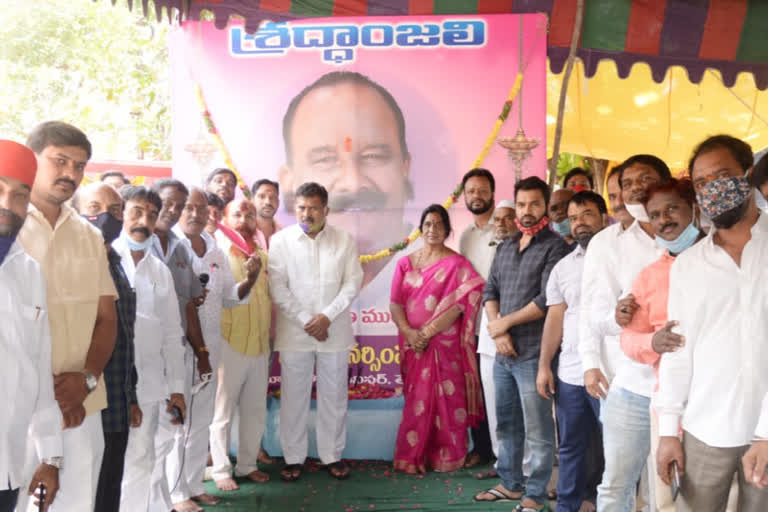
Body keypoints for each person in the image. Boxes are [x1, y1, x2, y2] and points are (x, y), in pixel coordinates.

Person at [656, 135, 768, 511]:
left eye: (722, 175)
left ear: (748, 175)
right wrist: (669, 431)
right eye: (702, 183)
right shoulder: (689, 265)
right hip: (706, 431)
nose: (711, 189)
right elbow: (677, 351)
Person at [18, 121, 118, 512]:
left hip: (82, 404)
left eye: (79, 166)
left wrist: (87, 379)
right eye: (60, 161)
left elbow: (106, 319)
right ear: (33, 161)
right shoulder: (10, 227)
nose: (70, 174)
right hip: (19, 407)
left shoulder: (89, 236)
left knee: (78, 504)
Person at [475, 176, 570, 510]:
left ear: (545, 206)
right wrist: (498, 332)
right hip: (504, 353)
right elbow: (490, 291)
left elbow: (547, 300)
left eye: (534, 204)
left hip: (533, 353)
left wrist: (505, 323)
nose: (527, 211)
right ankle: (512, 484)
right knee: (507, 423)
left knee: (539, 428)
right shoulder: (505, 246)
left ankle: (535, 493)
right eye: (521, 204)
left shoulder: (556, 247)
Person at [586, 154, 671, 512]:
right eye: (627, 183)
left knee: (664, 489)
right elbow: (595, 315)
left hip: (685, 386)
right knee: (616, 484)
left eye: (645, 179)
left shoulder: (696, 233)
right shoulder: (610, 243)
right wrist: (618, 316)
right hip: (632, 385)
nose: (635, 188)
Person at [279, 71, 411, 288]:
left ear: (404, 169)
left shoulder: (439, 270)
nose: (353, 183)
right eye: (326, 160)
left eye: (373, 156)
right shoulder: (281, 258)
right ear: (289, 182)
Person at [618, 178, 703, 512]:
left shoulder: (722, 259)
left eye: (672, 209)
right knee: (668, 498)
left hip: (719, 402)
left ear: (693, 210)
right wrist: (652, 341)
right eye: (655, 215)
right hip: (668, 404)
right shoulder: (649, 276)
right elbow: (628, 338)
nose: (664, 220)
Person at [268, 182, 363, 481]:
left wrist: (327, 317)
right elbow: (277, 287)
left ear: (326, 210)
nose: (305, 214)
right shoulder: (280, 241)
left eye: (312, 208)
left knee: (334, 397)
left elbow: (352, 283)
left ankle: (331, 456)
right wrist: (307, 320)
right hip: (295, 333)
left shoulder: (344, 240)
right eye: (300, 207)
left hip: (333, 332)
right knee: (294, 397)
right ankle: (293, 458)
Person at [174, 190, 263, 504]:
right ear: (176, 210)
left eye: (201, 208)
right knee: (177, 424)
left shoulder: (214, 251)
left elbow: (229, 296)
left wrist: (250, 279)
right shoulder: (169, 247)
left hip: (210, 349)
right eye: (189, 207)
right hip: (179, 349)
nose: (196, 213)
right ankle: (175, 492)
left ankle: (195, 485)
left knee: (200, 421)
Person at [391, 204, 485, 474]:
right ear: (421, 228)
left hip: (444, 346)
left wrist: (427, 333)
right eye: (428, 224)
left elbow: (460, 305)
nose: (432, 229)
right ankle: (412, 456)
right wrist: (411, 334)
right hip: (414, 346)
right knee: (416, 400)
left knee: (448, 401)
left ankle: (448, 456)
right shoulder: (404, 263)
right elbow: (396, 304)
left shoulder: (457, 265)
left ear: (447, 230)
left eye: (438, 224)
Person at [112, 185, 187, 512]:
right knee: (106, 464)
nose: (144, 221)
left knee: (143, 462)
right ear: (121, 214)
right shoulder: (104, 258)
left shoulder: (160, 271)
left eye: (151, 215)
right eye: (136, 212)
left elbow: (172, 333)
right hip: (109, 383)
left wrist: (177, 389)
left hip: (150, 386)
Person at [536, 191, 608, 512]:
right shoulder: (563, 268)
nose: (580, 223)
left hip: (613, 373)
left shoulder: (619, 257)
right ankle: (568, 506)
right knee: (570, 448)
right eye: (574, 217)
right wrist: (543, 367)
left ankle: (608, 504)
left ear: (603, 217)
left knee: (616, 448)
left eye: (587, 215)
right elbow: (555, 318)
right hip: (570, 373)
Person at [0, 140, 62, 512]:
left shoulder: (28, 271)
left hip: (7, 466)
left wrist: (50, 455)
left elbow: (38, 366)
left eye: (21, 195)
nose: (8, 204)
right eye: (0, 189)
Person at [74, 182, 141, 512]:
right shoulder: (70, 261)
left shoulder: (114, 259)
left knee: (109, 483)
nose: (106, 217)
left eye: (115, 211)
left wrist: (132, 396)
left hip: (115, 396)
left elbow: (125, 335)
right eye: (94, 208)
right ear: (76, 213)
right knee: (81, 489)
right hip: (82, 398)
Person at [201, 198, 271, 492]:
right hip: (229, 342)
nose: (245, 219)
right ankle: (220, 469)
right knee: (222, 412)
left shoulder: (262, 254)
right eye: (238, 214)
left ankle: (247, 465)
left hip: (259, 343)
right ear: (225, 220)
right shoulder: (217, 253)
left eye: (250, 215)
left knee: (255, 410)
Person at [149, 179, 209, 512]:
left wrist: (201, 353)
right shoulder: (133, 242)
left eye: (180, 204)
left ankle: (170, 497)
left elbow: (189, 305)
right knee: (146, 440)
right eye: (170, 203)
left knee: (172, 429)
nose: (173, 211)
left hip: (178, 352)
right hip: (142, 356)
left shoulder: (180, 247)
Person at [473, 199, 518, 480]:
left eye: (506, 218)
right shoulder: (497, 251)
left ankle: (524, 467)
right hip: (490, 338)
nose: (500, 224)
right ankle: (502, 462)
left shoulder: (532, 248)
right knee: (494, 404)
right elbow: (490, 292)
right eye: (497, 219)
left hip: (521, 339)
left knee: (520, 408)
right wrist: (496, 328)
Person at [457, 168, 496, 469]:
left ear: (492, 193)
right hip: (473, 324)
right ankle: (482, 448)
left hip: (503, 323)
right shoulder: (466, 236)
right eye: (471, 191)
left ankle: (507, 455)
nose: (477, 196)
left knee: (503, 390)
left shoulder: (506, 226)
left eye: (482, 190)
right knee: (477, 388)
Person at [251, 178, 282, 250]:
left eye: (272, 197)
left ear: (278, 202)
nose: (268, 202)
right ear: (252, 201)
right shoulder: (244, 231)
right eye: (262, 196)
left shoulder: (283, 235)